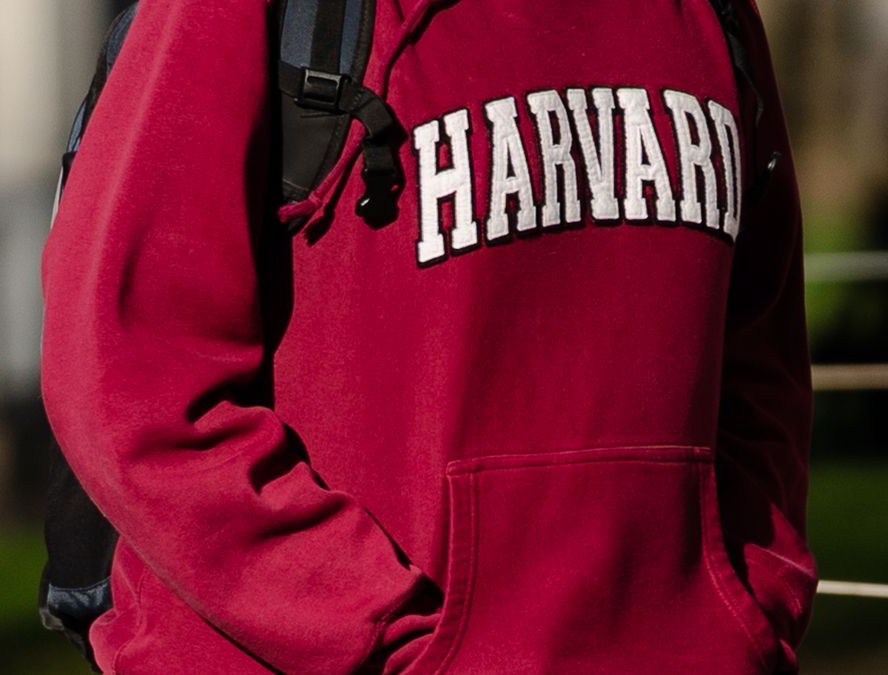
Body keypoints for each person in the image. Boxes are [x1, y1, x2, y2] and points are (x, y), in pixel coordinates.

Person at [40, 0, 817, 672]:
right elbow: (129, 383)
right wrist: (398, 637)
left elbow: (762, 358)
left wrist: (749, 610)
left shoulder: (709, 13)